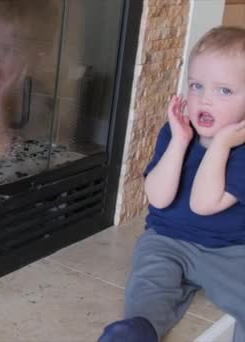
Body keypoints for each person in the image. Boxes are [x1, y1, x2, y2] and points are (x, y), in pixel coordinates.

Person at [98, 26, 245, 342]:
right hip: (167, 242)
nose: (204, 98)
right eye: (196, 85)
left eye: (224, 91)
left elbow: (203, 204)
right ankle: (136, 333)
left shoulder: (241, 151)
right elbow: (158, 198)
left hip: (230, 249)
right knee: (147, 290)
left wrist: (219, 146)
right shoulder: (177, 131)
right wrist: (179, 142)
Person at [0, 0, 58, 151]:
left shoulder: (36, 102)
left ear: (34, 59)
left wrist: (2, 98)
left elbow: (2, 152)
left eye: (7, 49)